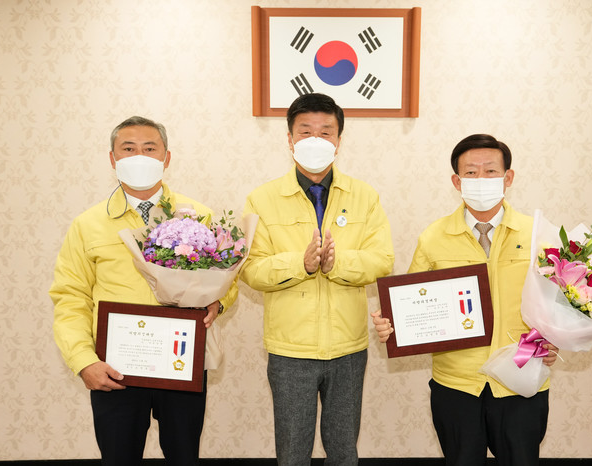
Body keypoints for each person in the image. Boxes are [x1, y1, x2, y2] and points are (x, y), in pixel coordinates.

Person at [50, 116, 237, 465]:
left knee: (184, 457)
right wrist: (83, 361)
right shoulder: (88, 224)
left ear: (167, 158)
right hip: (115, 368)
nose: (139, 156)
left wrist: (219, 301)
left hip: (181, 361)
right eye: (129, 149)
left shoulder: (198, 216)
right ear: (112, 159)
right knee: (119, 458)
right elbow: (70, 297)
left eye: (149, 149)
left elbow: (227, 278)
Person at [372, 134, 558, 466]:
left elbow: (559, 302)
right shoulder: (434, 236)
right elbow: (412, 301)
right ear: (457, 182)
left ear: (508, 177)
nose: (481, 179)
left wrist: (555, 339)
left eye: (490, 171)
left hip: (520, 376)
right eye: (471, 172)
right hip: (456, 384)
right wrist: (392, 324)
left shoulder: (537, 235)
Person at [240, 93, 394, 465]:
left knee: (343, 449)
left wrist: (337, 263)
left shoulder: (364, 196)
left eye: (325, 132)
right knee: (293, 451)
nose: (315, 140)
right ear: (289, 139)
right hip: (290, 350)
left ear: (339, 140)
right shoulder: (262, 198)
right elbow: (250, 269)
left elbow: (382, 260)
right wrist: (302, 264)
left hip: (348, 347)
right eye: (305, 131)